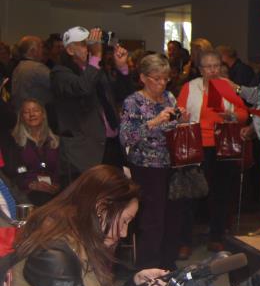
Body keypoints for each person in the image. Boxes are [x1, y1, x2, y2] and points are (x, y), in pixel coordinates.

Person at [6, 165, 173, 286]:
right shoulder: (51, 252)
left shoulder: (78, 241)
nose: (125, 232)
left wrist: (135, 285)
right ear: (101, 208)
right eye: (125, 220)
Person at [178, 49, 248, 253]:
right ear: (200, 69)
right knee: (190, 194)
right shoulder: (190, 87)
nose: (212, 70)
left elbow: (244, 113)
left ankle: (216, 236)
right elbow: (178, 111)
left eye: (216, 66)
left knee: (221, 192)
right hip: (195, 143)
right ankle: (184, 241)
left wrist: (232, 116)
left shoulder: (228, 87)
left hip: (222, 143)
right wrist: (180, 116)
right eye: (207, 67)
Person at [119, 54, 181, 269]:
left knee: (171, 217)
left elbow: (172, 128)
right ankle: (148, 267)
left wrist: (180, 119)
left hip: (171, 164)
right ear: (143, 78)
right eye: (157, 78)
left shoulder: (170, 98)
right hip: (145, 167)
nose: (162, 83)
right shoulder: (133, 101)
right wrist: (154, 122)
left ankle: (167, 263)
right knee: (151, 220)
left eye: (165, 78)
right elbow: (126, 137)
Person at [50, 27, 133, 178]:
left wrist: (122, 68)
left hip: (111, 143)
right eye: (84, 44)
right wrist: (96, 56)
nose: (90, 48)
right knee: (89, 197)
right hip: (85, 151)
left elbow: (123, 96)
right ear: (70, 50)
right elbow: (83, 88)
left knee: (115, 194)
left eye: (91, 44)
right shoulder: (60, 74)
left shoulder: (95, 69)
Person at [4, 99, 62, 206]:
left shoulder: (55, 141)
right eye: (26, 112)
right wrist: (31, 185)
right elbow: (15, 171)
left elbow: (60, 169)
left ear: (43, 114)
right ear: (21, 117)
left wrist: (57, 185)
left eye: (35, 110)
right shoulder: (14, 142)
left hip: (54, 191)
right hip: (27, 193)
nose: (31, 114)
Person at [11, 35, 52, 112]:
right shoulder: (37, 68)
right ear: (33, 51)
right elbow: (57, 84)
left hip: (21, 113)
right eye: (41, 47)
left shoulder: (18, 67)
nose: (43, 50)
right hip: (35, 114)